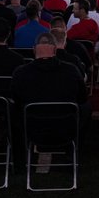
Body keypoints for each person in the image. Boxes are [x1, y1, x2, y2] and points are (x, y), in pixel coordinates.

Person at [10, 33, 90, 162]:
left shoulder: (21, 73)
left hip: (32, 129)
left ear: (34, 49)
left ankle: (19, 159)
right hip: (66, 128)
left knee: (14, 109)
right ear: (55, 49)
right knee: (86, 108)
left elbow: (15, 99)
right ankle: (75, 154)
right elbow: (82, 98)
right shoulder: (71, 70)